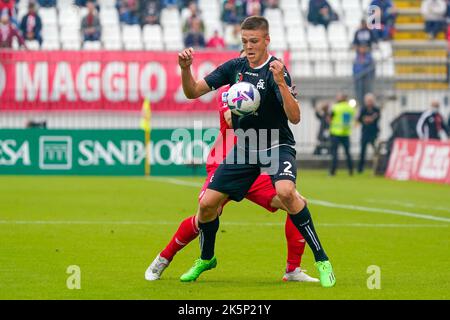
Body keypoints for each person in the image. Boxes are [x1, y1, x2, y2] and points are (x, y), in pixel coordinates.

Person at [176, 16, 336, 287]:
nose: (249, 47)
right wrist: (185, 68)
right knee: (206, 205)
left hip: (276, 143)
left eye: (254, 41)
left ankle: (321, 258)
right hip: (247, 146)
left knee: (286, 192)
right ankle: (206, 258)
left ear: (266, 41)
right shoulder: (234, 67)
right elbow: (192, 91)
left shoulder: (276, 70)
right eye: (244, 42)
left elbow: (295, 118)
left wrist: (282, 84)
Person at [145, 78, 319, 283]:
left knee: (295, 202)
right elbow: (230, 119)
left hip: (255, 164)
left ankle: (293, 270)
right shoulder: (228, 91)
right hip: (225, 162)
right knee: (205, 212)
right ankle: (164, 258)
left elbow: (285, 119)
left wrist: (282, 100)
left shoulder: (267, 87)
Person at [329, 93, 356, 176]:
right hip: (346, 133)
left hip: (335, 133)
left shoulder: (336, 107)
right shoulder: (350, 108)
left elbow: (330, 118)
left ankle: (333, 172)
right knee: (348, 153)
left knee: (334, 154)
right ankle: (351, 170)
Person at [357, 93, 381, 173]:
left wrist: (369, 119)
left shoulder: (376, 109)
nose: (369, 102)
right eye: (368, 101)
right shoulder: (363, 109)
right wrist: (365, 119)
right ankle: (360, 168)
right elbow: (359, 119)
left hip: (374, 133)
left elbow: (377, 118)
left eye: (370, 100)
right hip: (365, 133)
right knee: (362, 151)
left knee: (376, 151)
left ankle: (377, 167)